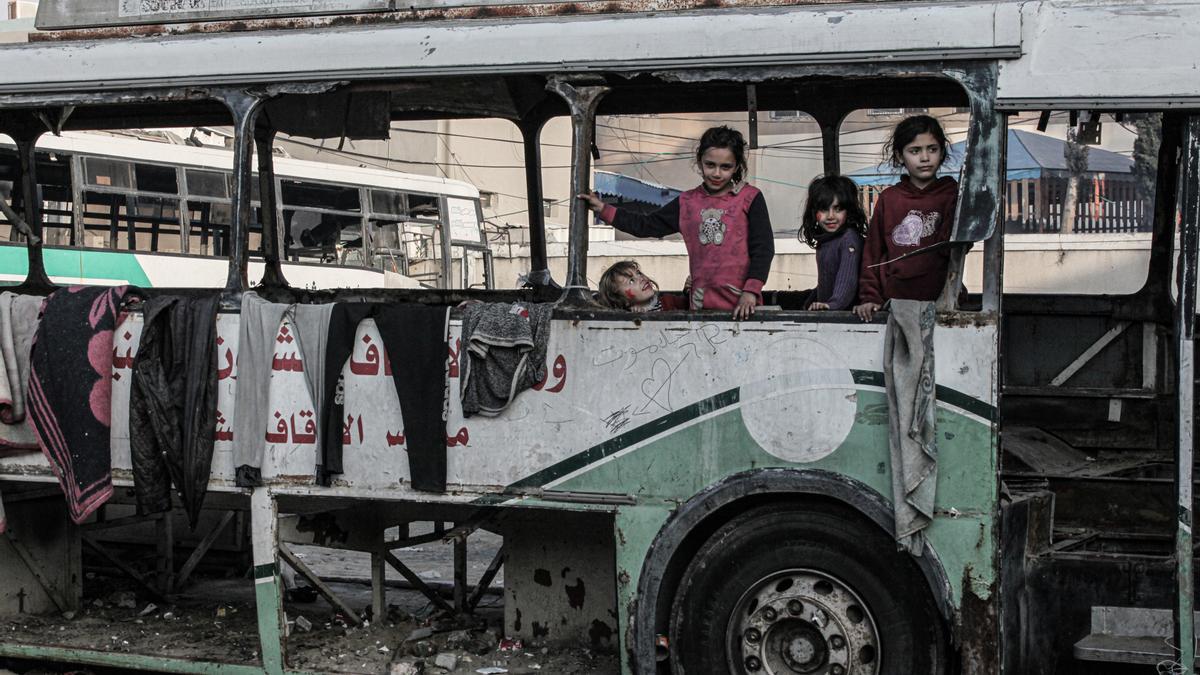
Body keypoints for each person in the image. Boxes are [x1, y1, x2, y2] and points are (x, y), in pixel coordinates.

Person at [578, 126, 774, 320]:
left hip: (743, 306)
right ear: (699, 163)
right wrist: (603, 209)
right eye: (710, 165)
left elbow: (763, 249)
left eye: (725, 167)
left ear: (737, 166)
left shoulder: (750, 198)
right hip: (700, 309)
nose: (716, 173)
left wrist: (751, 292)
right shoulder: (687, 202)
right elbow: (646, 225)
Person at [854, 115, 958, 322]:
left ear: (942, 152)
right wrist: (870, 297)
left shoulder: (952, 195)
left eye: (932, 149)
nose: (925, 157)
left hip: (941, 301)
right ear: (900, 156)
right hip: (893, 300)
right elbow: (872, 254)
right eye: (915, 151)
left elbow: (953, 250)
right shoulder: (889, 199)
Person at [800, 174, 867, 311]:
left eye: (838, 209)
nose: (831, 216)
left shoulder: (848, 239)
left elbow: (847, 281)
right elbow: (827, 281)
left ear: (849, 211)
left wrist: (832, 305)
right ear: (814, 212)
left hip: (847, 317)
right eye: (824, 209)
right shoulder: (826, 241)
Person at [597, 260, 687, 312]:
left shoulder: (669, 301)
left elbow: (693, 306)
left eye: (639, 273)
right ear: (619, 298)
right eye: (631, 281)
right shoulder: (623, 319)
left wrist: (689, 290)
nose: (641, 278)